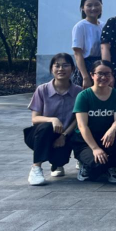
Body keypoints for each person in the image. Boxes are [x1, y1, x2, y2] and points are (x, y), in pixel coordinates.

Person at [25, 53, 82, 185]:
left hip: (65, 136)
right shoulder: (42, 90)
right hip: (42, 135)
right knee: (46, 126)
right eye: (57, 66)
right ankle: (36, 168)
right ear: (51, 69)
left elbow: (77, 119)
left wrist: (63, 135)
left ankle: (57, 164)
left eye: (65, 65)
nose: (61, 69)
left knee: (60, 159)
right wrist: (52, 120)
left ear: (73, 69)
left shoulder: (79, 92)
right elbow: (35, 119)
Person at [72, 60, 116, 183]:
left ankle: (111, 167)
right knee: (97, 167)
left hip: (106, 137)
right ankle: (85, 165)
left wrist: (112, 129)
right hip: (85, 141)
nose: (104, 77)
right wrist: (95, 148)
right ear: (92, 75)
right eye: (100, 73)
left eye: (107, 74)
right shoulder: (83, 96)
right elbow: (82, 126)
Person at [72, 0, 104, 88]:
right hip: (86, 67)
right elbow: (77, 53)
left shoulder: (103, 25)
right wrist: (85, 77)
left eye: (97, 4)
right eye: (89, 5)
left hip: (101, 65)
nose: (93, 8)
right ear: (82, 8)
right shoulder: (80, 26)